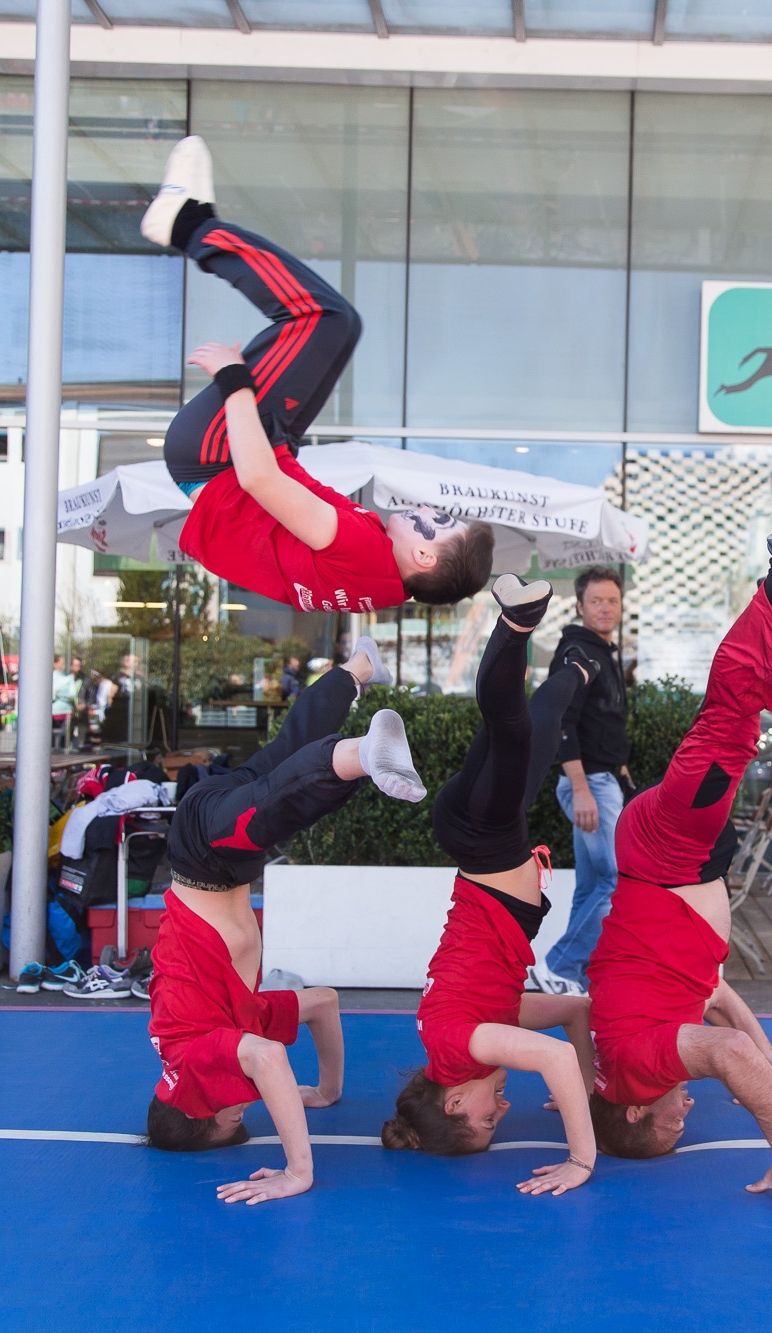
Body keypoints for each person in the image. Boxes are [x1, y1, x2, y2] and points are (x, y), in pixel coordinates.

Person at [583, 520, 772, 1218]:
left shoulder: (635, 1066)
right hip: (674, 859)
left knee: (728, 720)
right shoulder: (627, 1050)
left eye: (671, 1122)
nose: (685, 1111)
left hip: (668, 853)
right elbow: (724, 1008)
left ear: (631, 1112)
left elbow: (725, 1052)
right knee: (733, 723)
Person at [141, 135, 494, 614]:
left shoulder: (362, 550)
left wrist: (234, 382)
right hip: (243, 455)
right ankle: (197, 223)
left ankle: (190, 226)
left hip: (217, 457)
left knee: (327, 320)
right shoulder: (378, 579)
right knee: (335, 329)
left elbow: (259, 480)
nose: (429, 511)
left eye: (440, 520)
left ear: (425, 554)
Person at [144, 636, 427, 1204]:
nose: (245, 1111)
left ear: (206, 1112)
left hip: (203, 852)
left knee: (272, 804)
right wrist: (326, 1089)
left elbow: (268, 1058)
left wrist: (298, 1170)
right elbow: (323, 1002)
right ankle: (360, 666)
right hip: (217, 851)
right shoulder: (232, 1022)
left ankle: (362, 754)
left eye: (233, 1122)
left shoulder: (194, 1058)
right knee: (284, 755)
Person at [380, 574, 598, 1195]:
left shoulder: (463, 1047)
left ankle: (517, 622)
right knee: (533, 729)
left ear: (452, 1104)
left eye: (485, 1120)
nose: (502, 1113)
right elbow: (575, 1014)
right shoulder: (481, 1027)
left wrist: (581, 1158)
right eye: (500, 1125)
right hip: (475, 841)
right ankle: (578, 665)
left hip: (488, 847)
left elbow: (550, 1055)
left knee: (511, 730)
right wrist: (584, 1086)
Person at [542, 566, 628, 992]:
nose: (605, 608)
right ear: (579, 606)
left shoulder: (601, 651)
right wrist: (580, 788)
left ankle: (573, 976)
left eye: (612, 600)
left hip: (602, 777)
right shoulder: (579, 653)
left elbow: (600, 721)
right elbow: (562, 722)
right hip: (588, 785)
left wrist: (619, 764)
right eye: (596, 600)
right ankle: (560, 966)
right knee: (618, 879)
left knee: (593, 882)